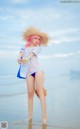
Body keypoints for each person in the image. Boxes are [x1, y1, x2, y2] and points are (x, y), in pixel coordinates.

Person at [17, 26, 49, 124]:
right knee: (30, 94)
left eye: (39, 39)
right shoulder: (24, 46)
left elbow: (31, 55)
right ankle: (30, 117)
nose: (38, 41)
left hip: (38, 70)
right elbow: (20, 54)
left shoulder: (38, 48)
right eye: (36, 38)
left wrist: (26, 59)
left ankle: (44, 118)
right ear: (30, 38)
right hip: (28, 72)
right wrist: (19, 59)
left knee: (40, 92)